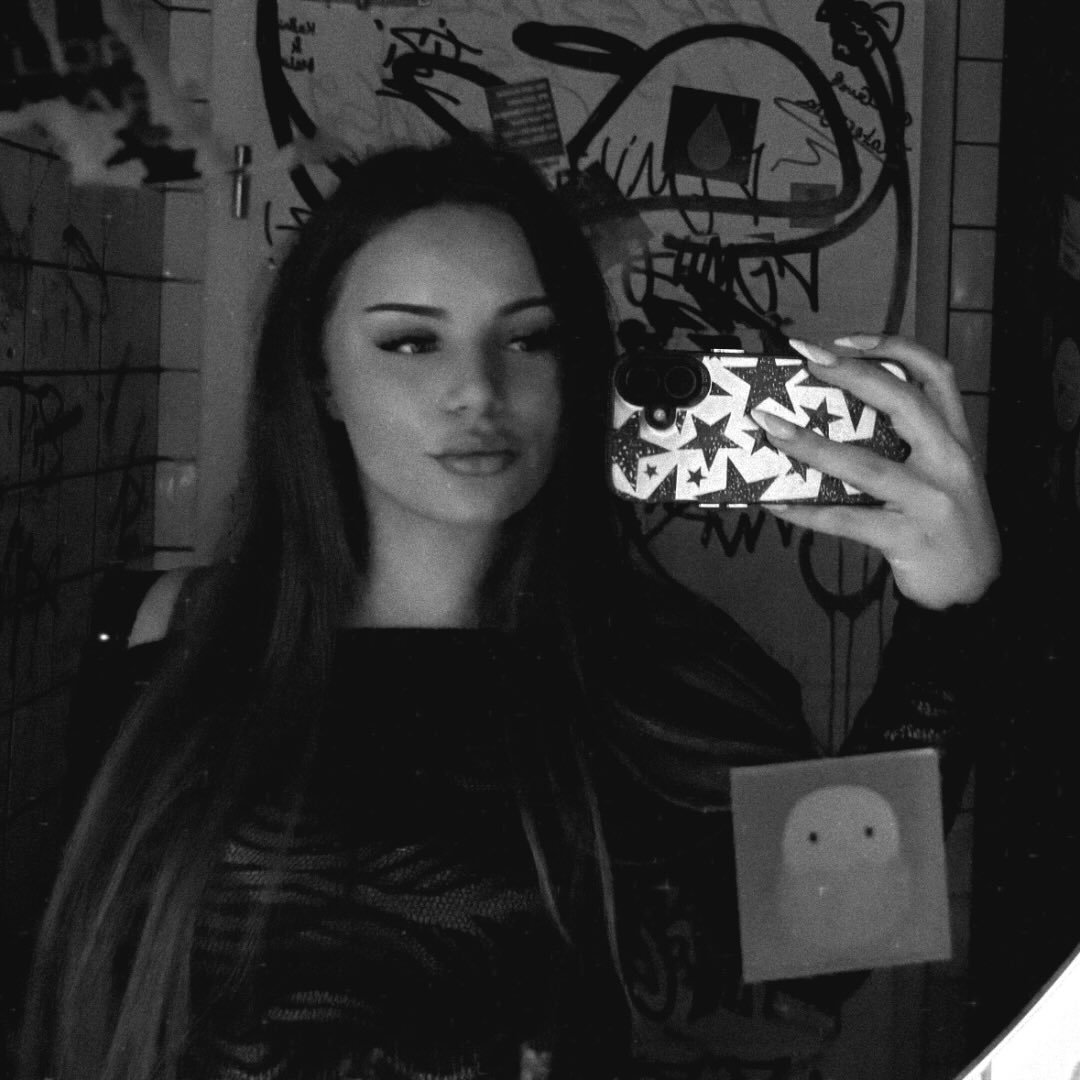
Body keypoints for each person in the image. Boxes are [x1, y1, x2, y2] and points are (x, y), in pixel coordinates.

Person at [20, 136, 1001, 1080]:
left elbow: (819, 957)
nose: (477, 391)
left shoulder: (674, 678)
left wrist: (949, 620)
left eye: (529, 339)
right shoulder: (168, 639)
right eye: (411, 341)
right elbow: (85, 988)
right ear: (320, 376)